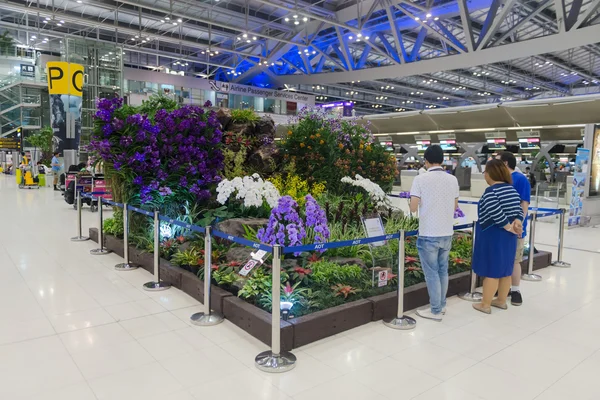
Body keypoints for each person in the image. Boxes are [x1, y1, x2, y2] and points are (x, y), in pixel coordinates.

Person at [410, 145, 459, 321]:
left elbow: (414, 207)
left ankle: (435, 310)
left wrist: (418, 203)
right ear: (443, 159)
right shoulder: (452, 180)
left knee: (431, 273)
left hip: (428, 233)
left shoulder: (421, 179)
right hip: (447, 232)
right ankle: (442, 305)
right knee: (442, 270)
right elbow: (454, 206)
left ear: (426, 161)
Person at [472, 159, 524, 314]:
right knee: (505, 269)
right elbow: (519, 211)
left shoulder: (491, 192)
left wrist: (508, 227)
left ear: (490, 174)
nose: (485, 176)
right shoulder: (511, 190)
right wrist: (517, 223)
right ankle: (501, 300)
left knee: (492, 271)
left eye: (485, 172)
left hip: (493, 235)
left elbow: (495, 213)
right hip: (509, 238)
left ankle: (485, 304)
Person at [498, 152, 531, 306]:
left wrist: (520, 224)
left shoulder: (520, 179)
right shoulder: (499, 179)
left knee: (515, 259)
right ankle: (502, 288)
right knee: (503, 258)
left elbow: (524, 203)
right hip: (499, 227)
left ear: (505, 163)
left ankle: (516, 290)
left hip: (515, 227)